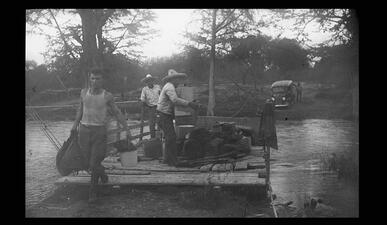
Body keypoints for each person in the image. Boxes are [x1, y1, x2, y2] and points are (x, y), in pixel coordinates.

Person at [71, 68, 129, 203]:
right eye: (92, 78)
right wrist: (74, 126)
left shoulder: (107, 95)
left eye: (98, 78)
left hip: (99, 131)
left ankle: (93, 191)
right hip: (84, 130)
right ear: (89, 79)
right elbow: (80, 110)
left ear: (102, 80)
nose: (95, 81)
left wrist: (126, 128)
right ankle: (102, 174)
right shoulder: (83, 93)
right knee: (86, 162)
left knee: (94, 162)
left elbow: (117, 112)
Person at [156, 69, 200, 166]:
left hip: (165, 115)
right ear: (173, 79)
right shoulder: (169, 87)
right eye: (177, 79)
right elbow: (175, 100)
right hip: (164, 115)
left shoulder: (171, 86)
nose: (179, 81)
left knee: (169, 138)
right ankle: (172, 161)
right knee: (171, 137)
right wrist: (189, 103)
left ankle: (167, 159)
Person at [140, 74, 161, 138]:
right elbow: (142, 99)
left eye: (151, 80)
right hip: (151, 107)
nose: (149, 82)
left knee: (161, 122)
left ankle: (160, 137)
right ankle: (153, 138)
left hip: (160, 107)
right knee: (151, 124)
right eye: (148, 81)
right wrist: (146, 103)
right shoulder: (144, 89)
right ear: (146, 82)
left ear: (153, 81)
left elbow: (162, 95)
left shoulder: (158, 87)